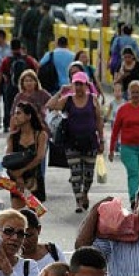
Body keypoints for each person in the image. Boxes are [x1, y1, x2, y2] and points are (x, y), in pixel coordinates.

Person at [45, 71, 104, 213]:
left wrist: (101, 139)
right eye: (75, 84)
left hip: (90, 142)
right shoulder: (68, 99)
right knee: (76, 172)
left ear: (86, 85)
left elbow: (99, 120)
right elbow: (50, 105)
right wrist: (61, 91)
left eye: (81, 84)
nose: (78, 87)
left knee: (88, 175)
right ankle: (78, 200)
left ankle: (85, 194)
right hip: (72, 143)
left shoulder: (93, 99)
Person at [109, 80, 139, 203]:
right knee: (134, 172)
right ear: (128, 93)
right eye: (133, 92)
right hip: (127, 148)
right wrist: (111, 149)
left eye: (138, 92)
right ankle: (133, 198)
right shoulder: (123, 109)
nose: (135, 95)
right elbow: (115, 130)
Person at [4, 102, 48, 209]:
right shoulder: (13, 137)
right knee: (17, 215)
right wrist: (17, 176)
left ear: (28, 116)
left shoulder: (40, 135)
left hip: (35, 181)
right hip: (16, 181)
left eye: (19, 113)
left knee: (33, 218)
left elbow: (39, 157)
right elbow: (7, 160)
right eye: (15, 114)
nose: (15, 117)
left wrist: (21, 171)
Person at [0, 39, 40, 125]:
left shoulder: (7, 60)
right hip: (24, 87)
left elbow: (0, 74)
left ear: (11, 48)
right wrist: (33, 82)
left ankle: (9, 124)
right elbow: (37, 67)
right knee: (26, 104)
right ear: (20, 47)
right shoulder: (28, 59)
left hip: (10, 87)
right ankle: (25, 122)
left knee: (9, 106)